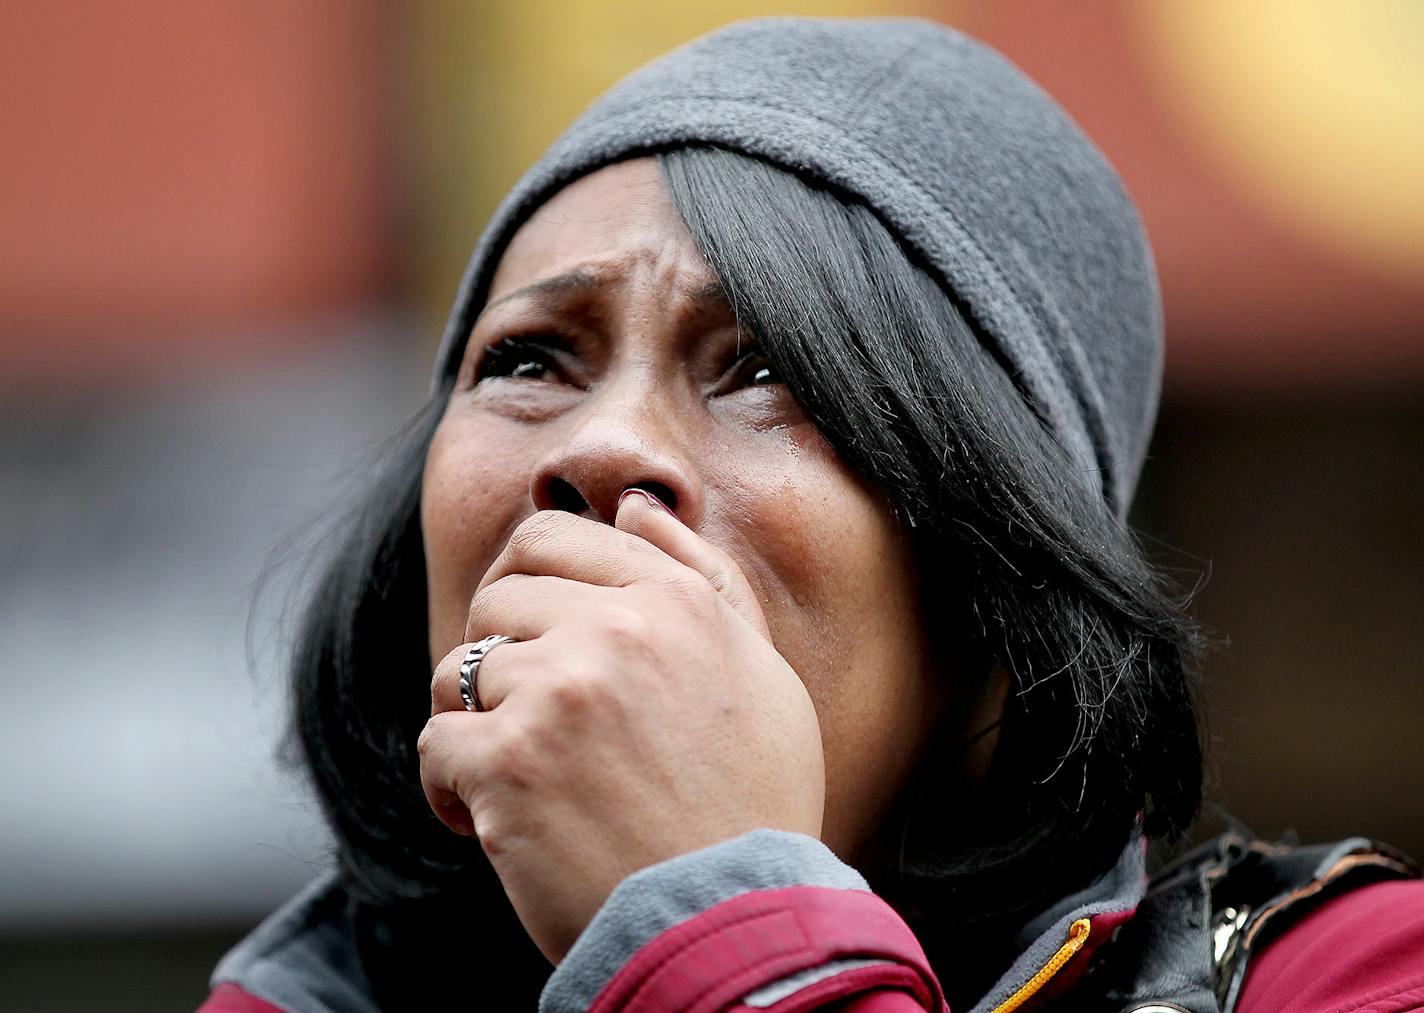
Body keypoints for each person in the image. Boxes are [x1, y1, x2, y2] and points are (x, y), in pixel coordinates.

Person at [200, 17, 1423, 1013]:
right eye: (528, 361)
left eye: (765, 369)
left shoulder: (1350, 976)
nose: (602, 441)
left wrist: (710, 917)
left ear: (999, 589)